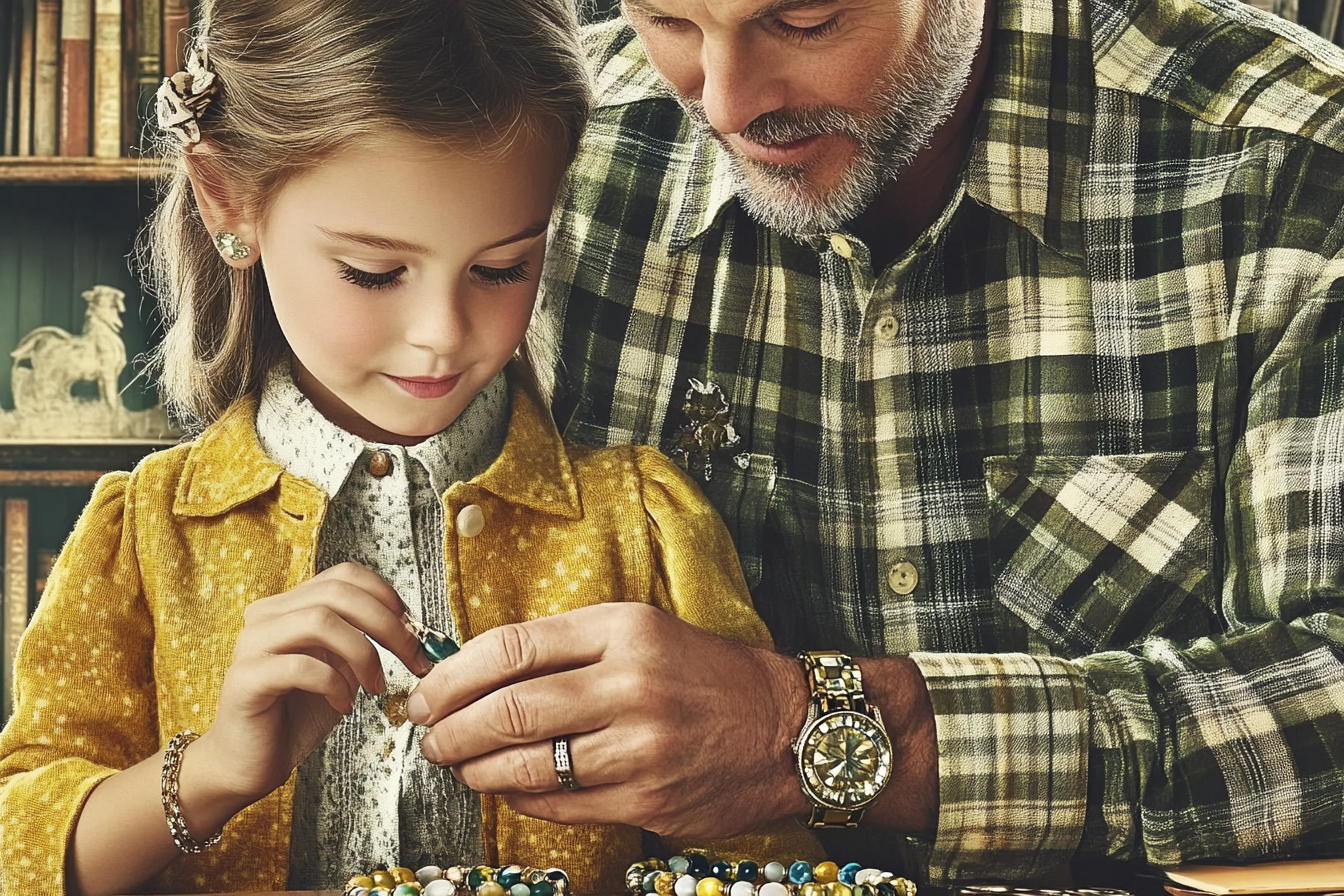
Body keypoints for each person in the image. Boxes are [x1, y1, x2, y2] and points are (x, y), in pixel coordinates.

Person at [404, 0, 1344, 888]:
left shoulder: (1298, 173)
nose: (727, 102)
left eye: (804, 20)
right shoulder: (549, 154)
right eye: (669, 20)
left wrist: (814, 732)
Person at [0, 1, 823, 893]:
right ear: (224, 195)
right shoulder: (144, 539)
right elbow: (18, 844)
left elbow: (772, 852)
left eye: (502, 267)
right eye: (373, 272)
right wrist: (209, 775)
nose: (440, 335)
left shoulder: (648, 526)